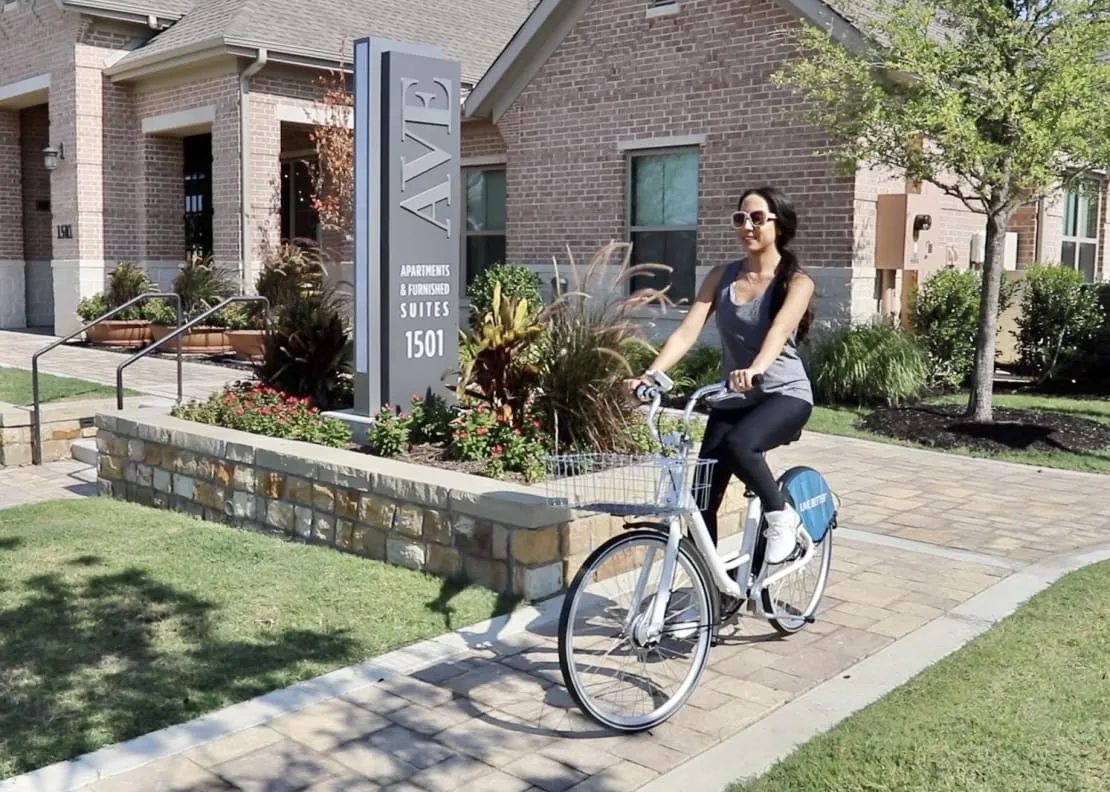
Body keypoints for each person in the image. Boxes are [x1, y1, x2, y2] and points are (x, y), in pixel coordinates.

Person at [625, 185, 815, 565]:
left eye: (757, 218)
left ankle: (782, 517)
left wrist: (756, 368)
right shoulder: (721, 276)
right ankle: (712, 593)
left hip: (785, 394)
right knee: (702, 498)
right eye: (740, 218)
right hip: (736, 396)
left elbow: (778, 332)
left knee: (740, 445)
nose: (747, 225)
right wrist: (649, 376)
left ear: (778, 225)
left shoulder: (797, 282)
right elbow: (686, 331)